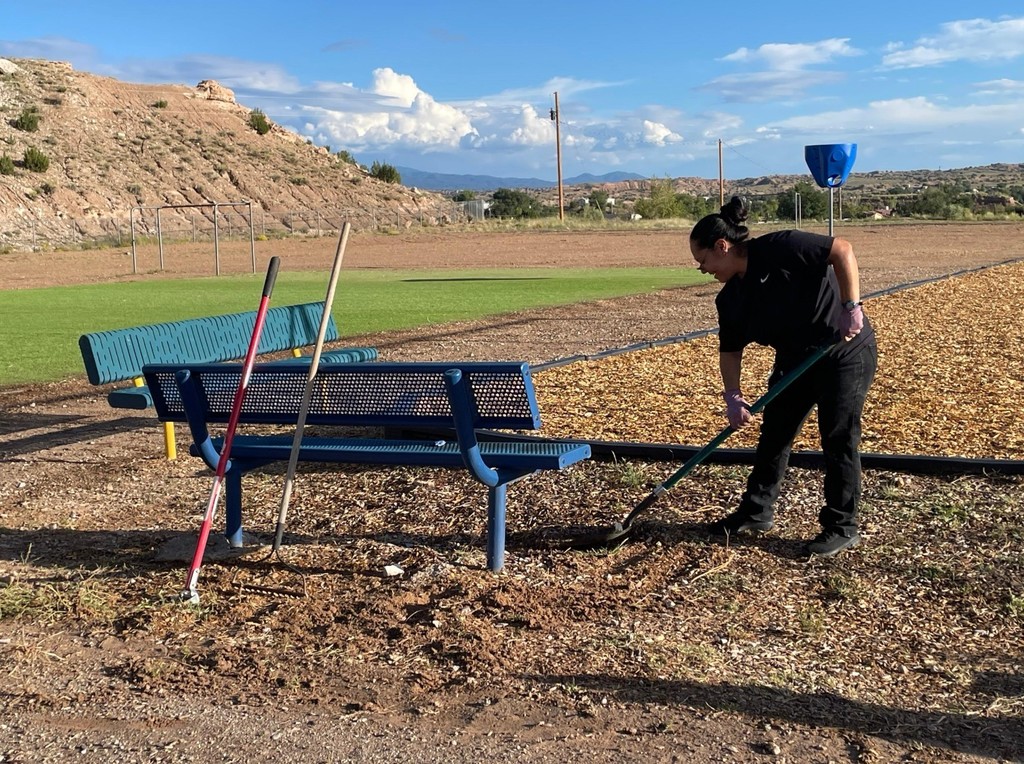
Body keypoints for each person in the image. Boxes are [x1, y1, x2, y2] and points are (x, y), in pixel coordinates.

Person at [689, 196, 877, 557]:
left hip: (844, 350)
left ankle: (841, 525)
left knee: (838, 437)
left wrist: (851, 306)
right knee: (775, 432)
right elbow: (730, 350)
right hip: (795, 358)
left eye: (703, 261)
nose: (703, 270)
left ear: (722, 247)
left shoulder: (781, 246)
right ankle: (756, 511)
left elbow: (842, 250)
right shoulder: (730, 299)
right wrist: (733, 396)